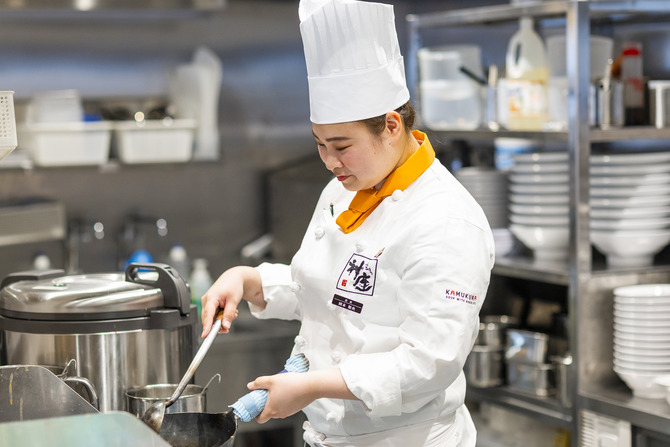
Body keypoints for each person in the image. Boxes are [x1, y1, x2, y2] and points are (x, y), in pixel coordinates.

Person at [200, 0, 495, 445]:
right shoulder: (346, 188)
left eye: (341, 146)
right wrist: (249, 280)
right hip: (328, 435)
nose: (329, 161)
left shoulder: (446, 220)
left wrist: (310, 386)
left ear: (391, 126)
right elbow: (334, 293)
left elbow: (428, 363)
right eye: (319, 143)